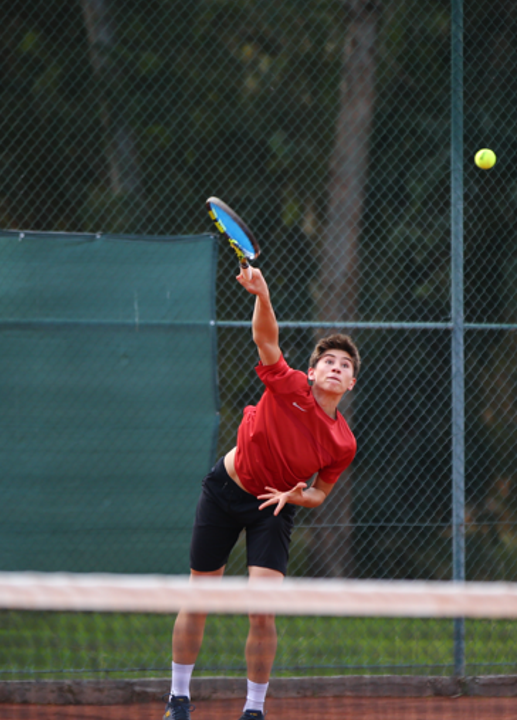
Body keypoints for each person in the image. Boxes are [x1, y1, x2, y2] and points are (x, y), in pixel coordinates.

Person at [163, 267, 360, 720]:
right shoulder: (288, 384)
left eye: (345, 365)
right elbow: (266, 339)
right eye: (328, 361)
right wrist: (263, 295)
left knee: (262, 612)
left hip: (273, 509)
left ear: (350, 384)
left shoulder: (343, 443)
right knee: (200, 599)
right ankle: (178, 699)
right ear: (311, 373)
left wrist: (294, 497)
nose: (336, 366)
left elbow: (320, 495)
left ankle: (254, 710)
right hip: (224, 491)